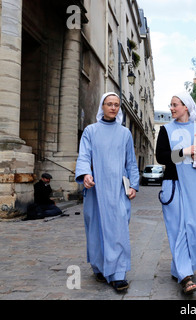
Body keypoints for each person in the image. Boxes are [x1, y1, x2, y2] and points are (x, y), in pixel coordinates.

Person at [75, 92, 139, 293]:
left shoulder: (125, 133)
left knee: (118, 228)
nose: (113, 107)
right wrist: (85, 174)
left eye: (116, 105)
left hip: (118, 189)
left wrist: (133, 185)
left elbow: (131, 161)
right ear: (102, 107)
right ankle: (100, 267)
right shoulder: (90, 131)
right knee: (95, 229)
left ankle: (118, 274)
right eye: (109, 104)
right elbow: (84, 155)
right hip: (96, 188)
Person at [156, 91, 196, 295]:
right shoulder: (166, 130)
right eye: (171, 105)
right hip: (173, 185)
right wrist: (186, 151)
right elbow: (161, 157)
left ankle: (180, 268)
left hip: (194, 187)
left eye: (175, 104)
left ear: (186, 107)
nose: (172, 108)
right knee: (178, 230)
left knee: (194, 226)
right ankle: (185, 276)